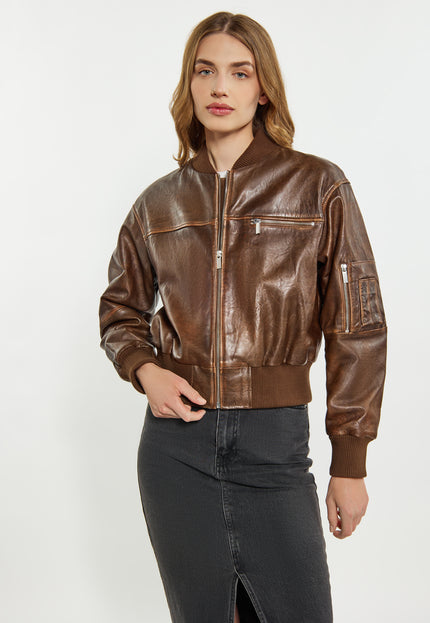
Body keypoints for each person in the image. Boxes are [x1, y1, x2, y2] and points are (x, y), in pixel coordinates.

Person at [99, 11, 387, 623]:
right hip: (176, 449)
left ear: (264, 89)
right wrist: (146, 370)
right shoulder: (158, 203)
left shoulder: (318, 186)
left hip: (274, 443)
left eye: (239, 72)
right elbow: (120, 309)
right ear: (189, 84)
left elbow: (358, 328)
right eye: (205, 71)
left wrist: (350, 462)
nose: (220, 87)